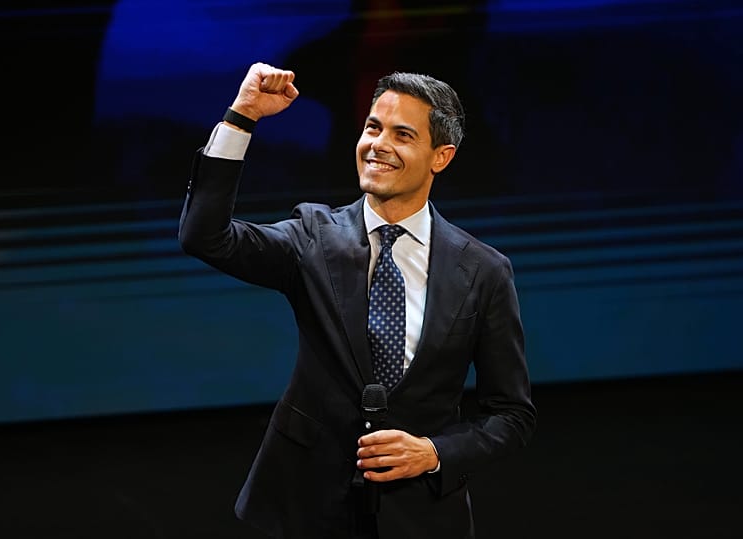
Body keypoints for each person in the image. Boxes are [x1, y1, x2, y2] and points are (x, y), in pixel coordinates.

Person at [178, 62, 536, 539]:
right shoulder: (313, 237)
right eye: (373, 127)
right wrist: (243, 116)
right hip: (306, 506)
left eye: (402, 135)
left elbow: (511, 415)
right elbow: (205, 236)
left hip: (420, 514)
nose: (378, 144)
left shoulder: (484, 271)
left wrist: (433, 453)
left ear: (441, 156)